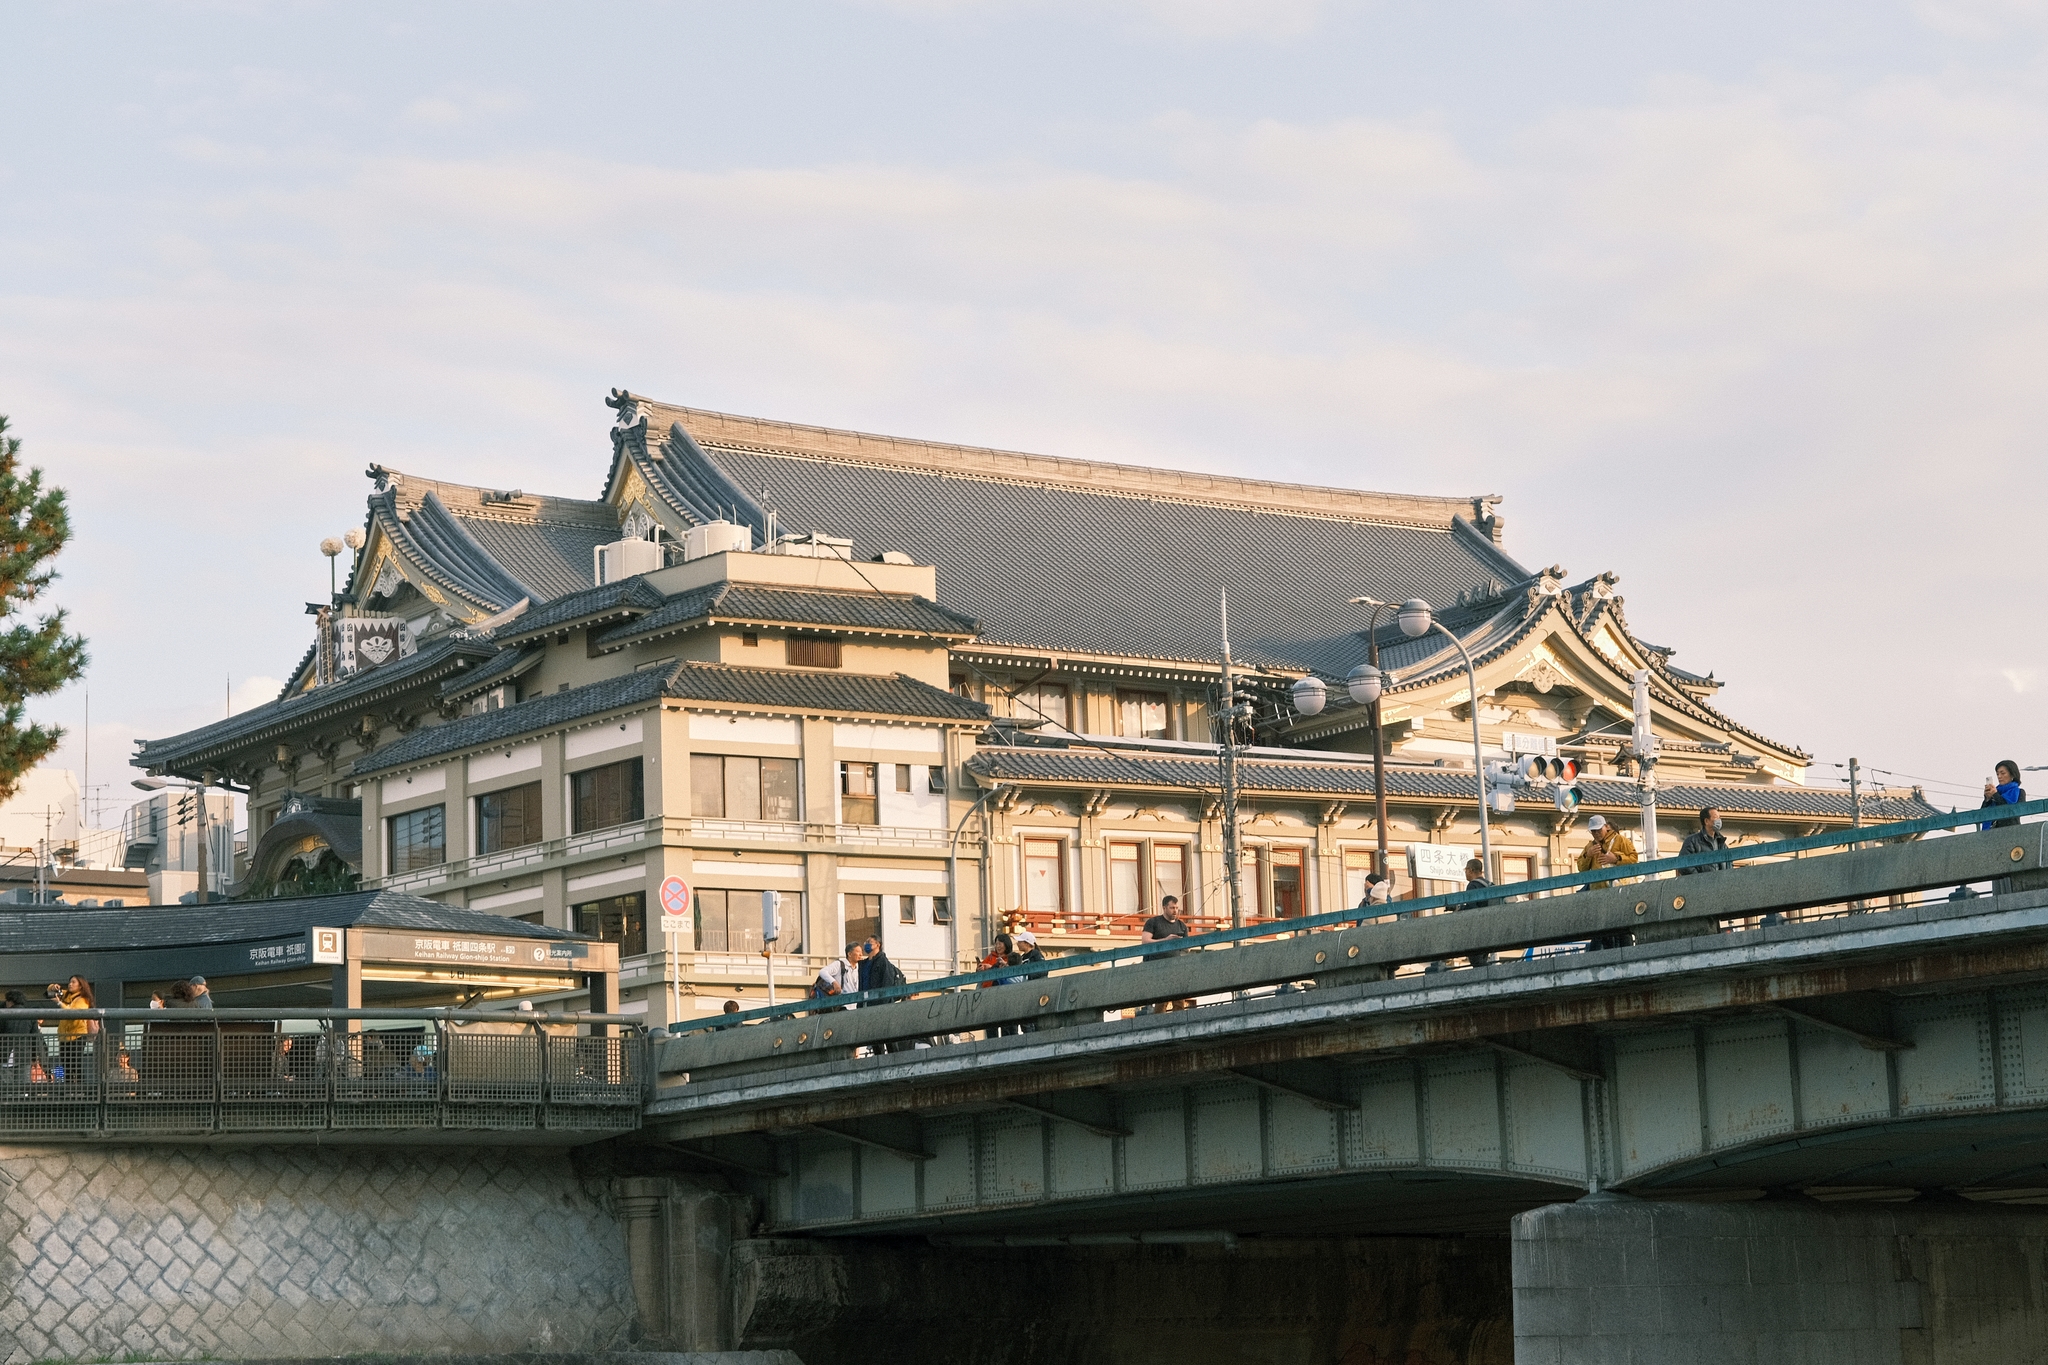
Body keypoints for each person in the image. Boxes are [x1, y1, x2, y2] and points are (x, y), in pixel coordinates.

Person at [51, 976, 95, 1085]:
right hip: (64, 1037)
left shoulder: (83, 999)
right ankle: (69, 1089)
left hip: (77, 1036)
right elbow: (49, 993)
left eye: (73, 982)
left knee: (75, 1064)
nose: (70, 984)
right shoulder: (67, 995)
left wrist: (59, 1003)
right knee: (66, 1065)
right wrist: (53, 987)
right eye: (70, 982)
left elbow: (73, 1013)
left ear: (80, 985)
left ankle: (80, 1089)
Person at [1575, 815, 1639, 890]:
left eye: (1599, 830)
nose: (1596, 833)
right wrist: (1587, 855)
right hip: (1598, 891)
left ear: (1606, 827)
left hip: (1621, 889)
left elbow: (1634, 859)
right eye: (1593, 831)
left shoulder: (1620, 839)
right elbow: (1581, 869)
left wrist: (1617, 859)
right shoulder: (1590, 847)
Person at [1678, 807, 1731, 875]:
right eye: (1715, 817)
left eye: (1719, 817)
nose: (1719, 820)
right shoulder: (1692, 841)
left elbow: (1729, 864)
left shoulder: (1722, 843)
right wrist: (1700, 878)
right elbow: (1683, 863)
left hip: (1720, 880)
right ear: (1706, 821)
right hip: (1701, 881)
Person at [1982, 761, 2027, 831]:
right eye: (1997, 774)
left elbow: (2012, 811)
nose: (1999, 776)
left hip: (2011, 831)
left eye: (2003, 773)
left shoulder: (2019, 792)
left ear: (2012, 774)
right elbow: (1981, 814)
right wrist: (1987, 799)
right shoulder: (1996, 792)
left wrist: (1995, 795)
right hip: (1991, 832)